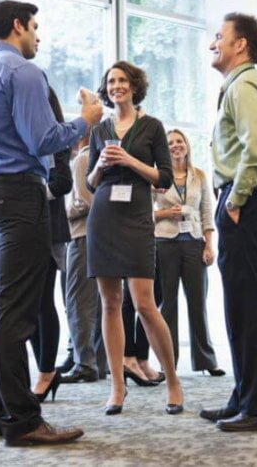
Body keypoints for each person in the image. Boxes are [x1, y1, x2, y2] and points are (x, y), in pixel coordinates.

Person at [0, 0, 102, 446]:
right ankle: (21, 420)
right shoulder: (24, 73)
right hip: (19, 195)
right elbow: (43, 139)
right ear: (17, 26)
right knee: (12, 311)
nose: (38, 36)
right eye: (35, 27)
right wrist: (86, 121)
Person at [200, 12, 257, 432]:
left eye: (220, 37)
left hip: (247, 201)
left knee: (251, 309)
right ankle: (247, 395)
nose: (212, 43)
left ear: (242, 45)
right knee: (241, 307)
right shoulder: (239, 85)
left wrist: (234, 201)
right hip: (249, 201)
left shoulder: (246, 84)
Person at [86, 60, 183, 415]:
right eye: (111, 81)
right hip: (104, 218)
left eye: (122, 80)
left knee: (144, 303)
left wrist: (128, 159)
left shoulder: (153, 127)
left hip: (138, 216)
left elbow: (165, 179)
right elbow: (89, 183)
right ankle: (116, 386)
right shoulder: (99, 130)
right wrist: (99, 166)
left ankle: (172, 381)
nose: (116, 86)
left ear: (134, 85)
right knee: (109, 303)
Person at [153, 129, 223, 375]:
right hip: (165, 242)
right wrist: (164, 213)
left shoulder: (199, 176)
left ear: (187, 145)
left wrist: (208, 244)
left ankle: (206, 360)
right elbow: (144, 213)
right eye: (170, 143)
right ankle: (167, 362)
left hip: (193, 241)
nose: (175, 146)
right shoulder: (157, 177)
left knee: (197, 302)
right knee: (168, 304)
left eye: (179, 141)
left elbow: (206, 212)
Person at [30, 87, 73, 402]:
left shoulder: (56, 137)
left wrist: (31, 194)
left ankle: (47, 371)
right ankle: (43, 370)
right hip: (19, 227)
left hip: (48, 228)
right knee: (26, 305)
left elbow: (63, 182)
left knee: (44, 302)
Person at [61, 127, 108, 384]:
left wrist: (60, 212)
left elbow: (85, 202)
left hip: (82, 235)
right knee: (97, 303)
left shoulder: (82, 159)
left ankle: (84, 363)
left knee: (78, 302)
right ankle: (96, 362)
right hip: (99, 237)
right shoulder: (97, 158)